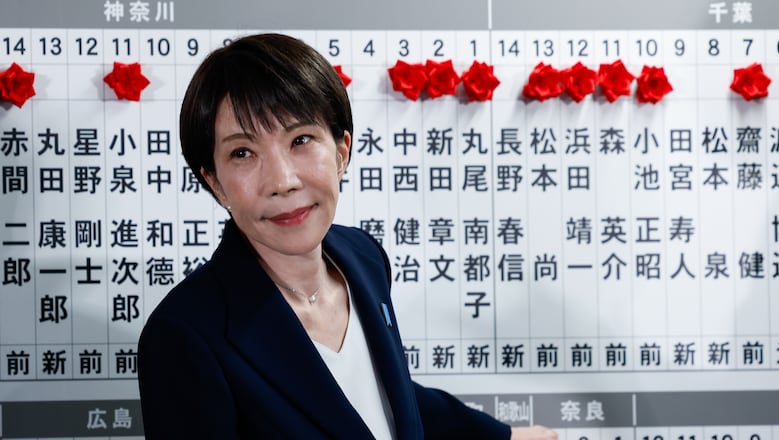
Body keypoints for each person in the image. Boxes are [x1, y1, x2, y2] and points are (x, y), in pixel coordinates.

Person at [137, 33, 557, 440]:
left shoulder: (363, 257)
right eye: (242, 153)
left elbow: (383, 397)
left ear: (341, 151)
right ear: (215, 183)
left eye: (301, 139)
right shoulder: (183, 336)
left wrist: (501, 436)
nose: (282, 181)